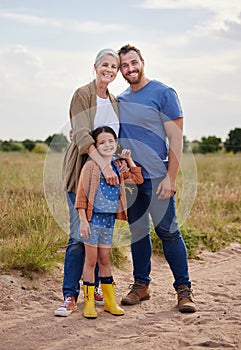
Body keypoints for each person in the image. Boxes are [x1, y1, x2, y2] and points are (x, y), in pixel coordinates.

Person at [117, 44, 197, 313]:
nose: (130, 69)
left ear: (142, 61)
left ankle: (184, 290)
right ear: (120, 70)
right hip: (131, 180)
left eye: (133, 62)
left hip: (158, 177)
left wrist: (171, 178)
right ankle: (141, 285)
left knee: (168, 232)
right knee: (138, 232)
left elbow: (176, 138)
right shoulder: (121, 99)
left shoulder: (163, 93)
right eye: (124, 66)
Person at [55, 48, 121, 317]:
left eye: (114, 66)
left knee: (98, 237)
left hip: (107, 183)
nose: (109, 69)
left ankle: (91, 288)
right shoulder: (82, 94)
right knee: (78, 236)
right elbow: (82, 136)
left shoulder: (115, 100)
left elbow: (113, 139)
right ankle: (69, 296)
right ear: (94, 66)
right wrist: (104, 166)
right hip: (83, 174)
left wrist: (118, 162)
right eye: (104, 64)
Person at [74, 126, 143, 318]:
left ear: (116, 143)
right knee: (91, 260)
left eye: (111, 141)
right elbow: (81, 196)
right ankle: (88, 303)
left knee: (105, 260)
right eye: (102, 142)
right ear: (95, 146)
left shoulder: (118, 166)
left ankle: (109, 302)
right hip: (93, 220)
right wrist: (83, 221)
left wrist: (128, 159)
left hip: (108, 221)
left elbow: (138, 178)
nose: (107, 145)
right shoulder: (90, 166)